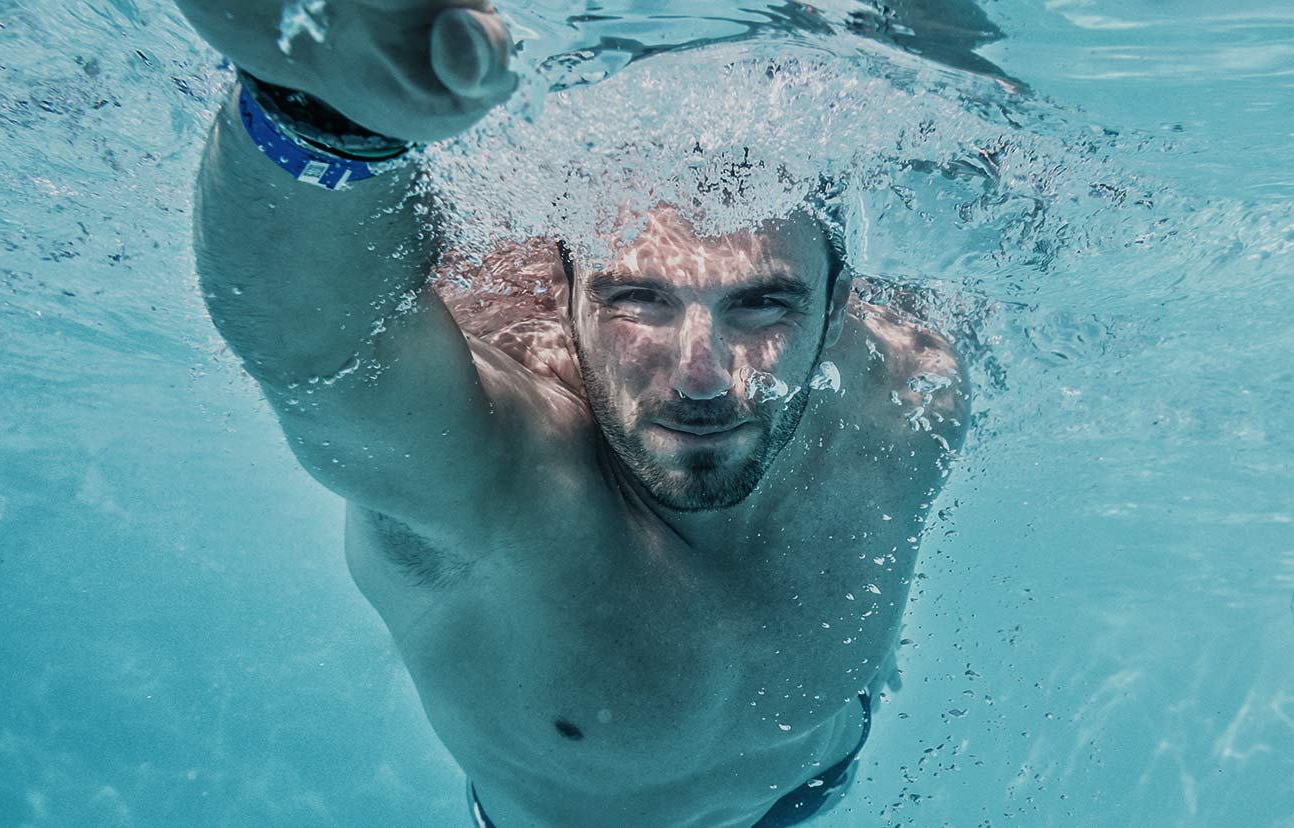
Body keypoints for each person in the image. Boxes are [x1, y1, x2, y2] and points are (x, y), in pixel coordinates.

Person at [173, 2, 967, 826]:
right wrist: (320, 121)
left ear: (836, 312)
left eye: (763, 305)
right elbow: (319, 352)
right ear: (566, 298)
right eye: (639, 301)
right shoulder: (501, 480)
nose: (701, 376)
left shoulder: (913, 392)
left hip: (817, 772)